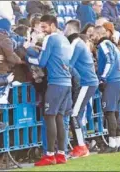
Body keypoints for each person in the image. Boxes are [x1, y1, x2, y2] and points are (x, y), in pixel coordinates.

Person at [26, 14, 73, 166]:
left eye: (45, 27)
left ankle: (49, 155)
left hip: (56, 83)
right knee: (59, 117)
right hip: (67, 82)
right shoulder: (64, 39)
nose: (43, 30)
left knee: (49, 116)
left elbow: (41, 62)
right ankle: (61, 153)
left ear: (52, 25)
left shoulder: (51, 38)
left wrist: (27, 55)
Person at [65, 20, 99, 158]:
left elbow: (68, 63)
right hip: (87, 82)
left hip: (86, 82)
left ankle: (82, 147)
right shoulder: (78, 43)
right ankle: (80, 145)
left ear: (71, 29)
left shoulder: (76, 43)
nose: (64, 31)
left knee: (74, 114)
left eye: (65, 28)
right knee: (76, 114)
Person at [92, 26, 120, 153]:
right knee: (116, 112)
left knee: (109, 112)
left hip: (112, 81)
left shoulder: (104, 44)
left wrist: (103, 78)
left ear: (100, 34)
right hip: (119, 80)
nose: (91, 38)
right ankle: (118, 143)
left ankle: (112, 145)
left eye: (93, 35)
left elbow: (109, 61)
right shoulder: (112, 45)